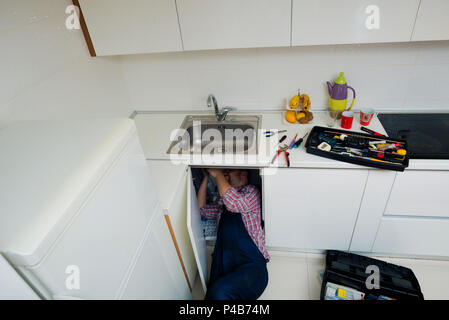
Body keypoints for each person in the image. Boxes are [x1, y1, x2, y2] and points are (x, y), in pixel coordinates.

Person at [197, 168, 269, 300]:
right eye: (224, 172)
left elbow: (234, 203)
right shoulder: (222, 205)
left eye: (229, 171)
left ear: (243, 173)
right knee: (215, 294)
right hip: (223, 269)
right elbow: (200, 210)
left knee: (218, 293)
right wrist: (206, 178)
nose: (225, 175)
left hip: (251, 267)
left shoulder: (252, 192)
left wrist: (218, 174)